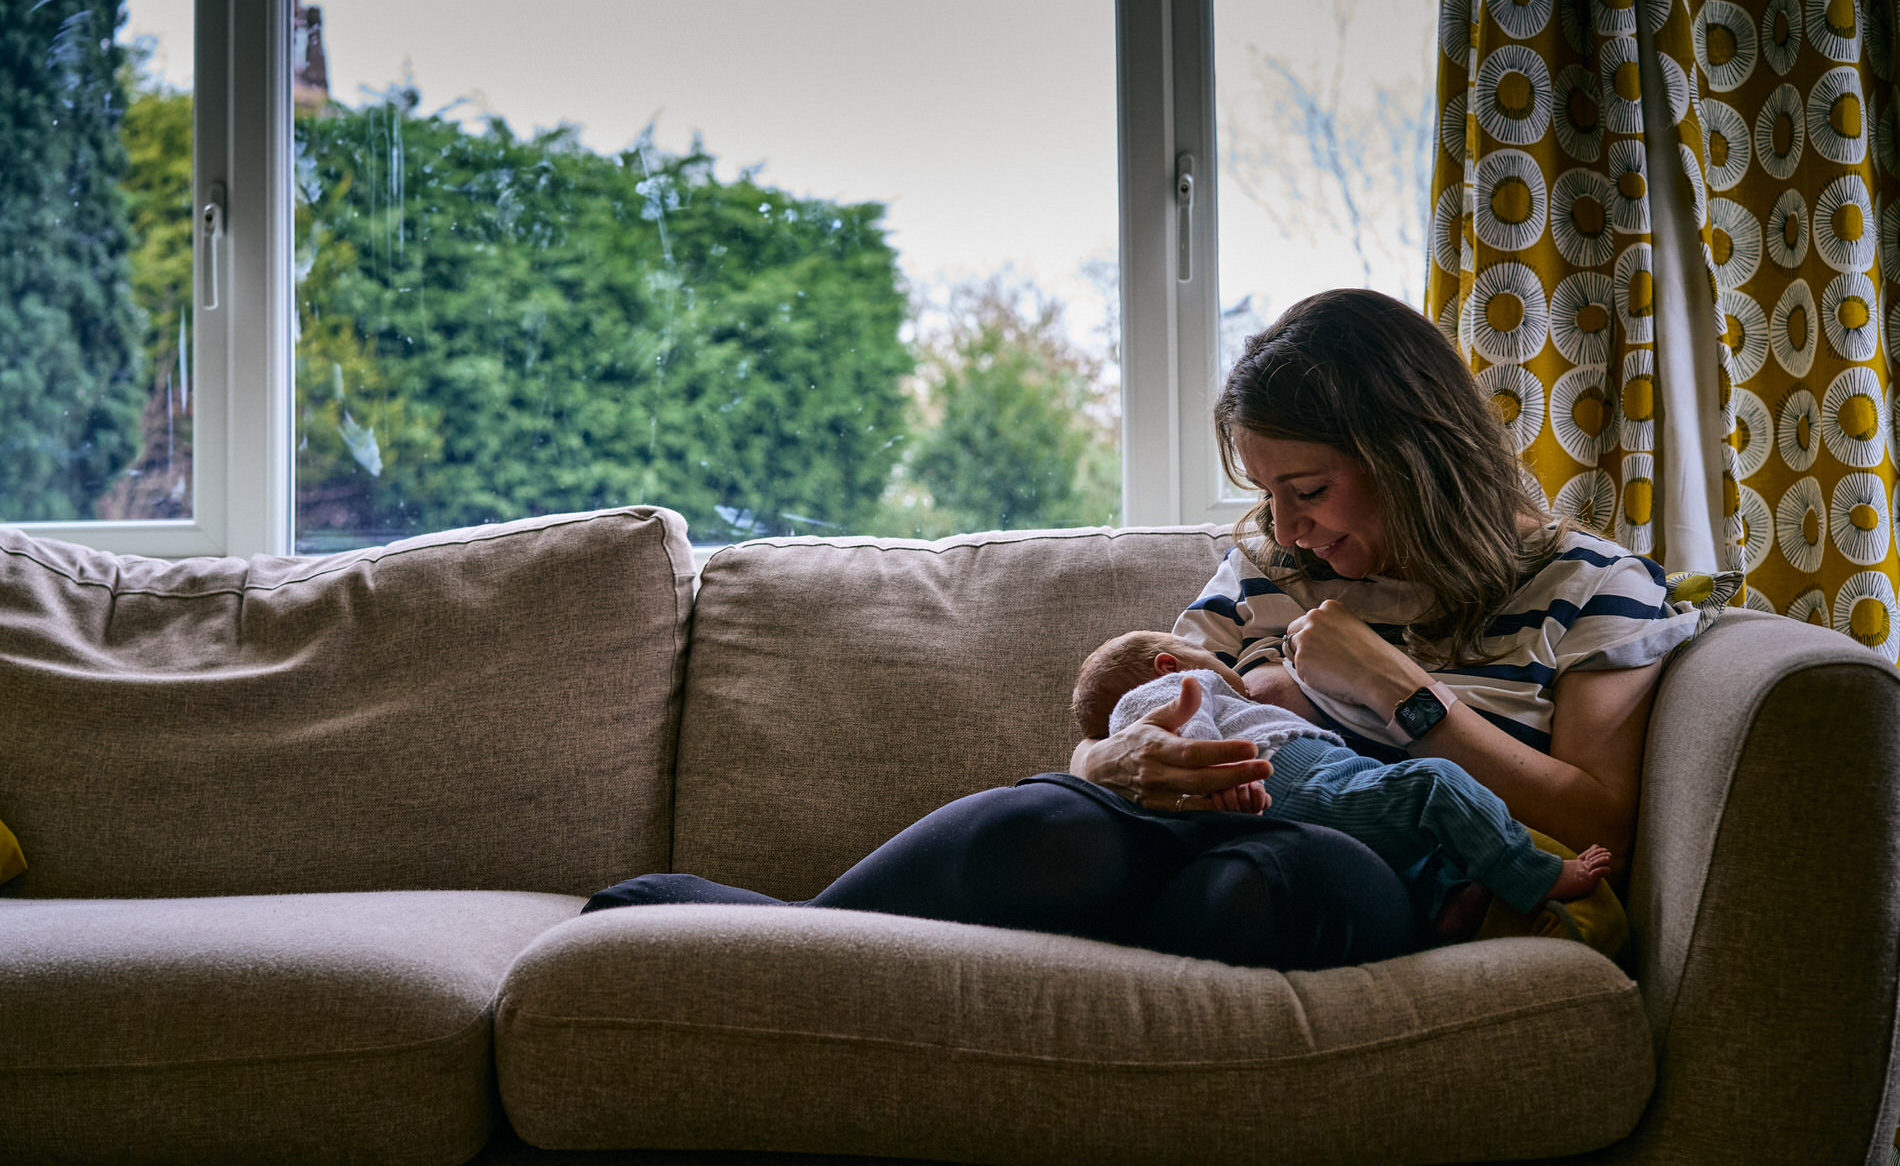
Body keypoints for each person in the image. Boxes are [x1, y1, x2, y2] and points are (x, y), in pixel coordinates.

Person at [585, 287, 1698, 971]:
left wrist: (1403, 692)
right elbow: (1146, 703)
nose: (1283, 524)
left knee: (1260, 892)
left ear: (1408, 454)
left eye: (1306, 486)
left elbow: (1599, 809)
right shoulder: (1268, 565)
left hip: (1368, 864)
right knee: (1049, 826)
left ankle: (764, 953)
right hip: (1178, 827)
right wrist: (1111, 757)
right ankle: (767, 951)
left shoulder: (1591, 584)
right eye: (1266, 491)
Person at [1071, 629, 1612, 939]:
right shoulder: (1175, 686)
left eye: (1309, 489)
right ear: (1169, 663)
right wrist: (1217, 778)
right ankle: (1530, 872)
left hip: (1286, 804)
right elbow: (1178, 732)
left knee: (1416, 847)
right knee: (1435, 784)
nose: (1220, 662)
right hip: (1294, 777)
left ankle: (1445, 907)